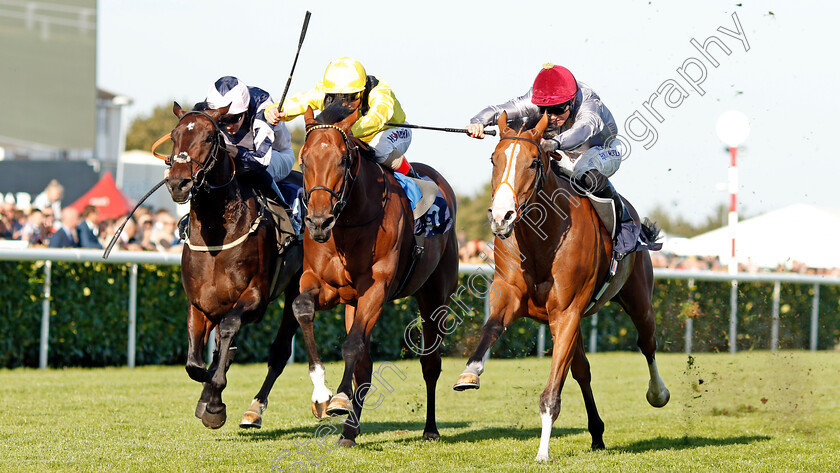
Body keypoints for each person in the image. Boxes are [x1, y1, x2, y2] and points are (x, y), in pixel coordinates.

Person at [466, 63, 642, 260]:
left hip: (600, 150)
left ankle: (625, 227)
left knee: (584, 172)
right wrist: (478, 121)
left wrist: (554, 143)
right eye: (545, 110)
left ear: (572, 101)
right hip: (559, 149)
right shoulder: (534, 99)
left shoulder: (589, 102)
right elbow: (500, 110)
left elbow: (583, 130)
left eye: (558, 109)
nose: (551, 116)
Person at [265, 57, 438, 220]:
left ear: (362, 92)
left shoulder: (380, 93)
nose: (343, 103)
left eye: (350, 97)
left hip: (390, 131)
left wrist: (343, 130)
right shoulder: (325, 91)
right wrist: (274, 110)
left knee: (380, 150)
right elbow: (299, 102)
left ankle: (414, 178)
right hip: (348, 134)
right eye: (336, 98)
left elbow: (376, 120)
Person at [198, 76, 296, 205]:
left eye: (234, 118)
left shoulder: (262, 106)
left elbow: (261, 162)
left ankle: (286, 213)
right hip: (234, 155)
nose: (228, 126)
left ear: (245, 110)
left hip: (276, 155)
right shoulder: (209, 107)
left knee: (256, 172)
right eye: (222, 120)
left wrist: (234, 151)